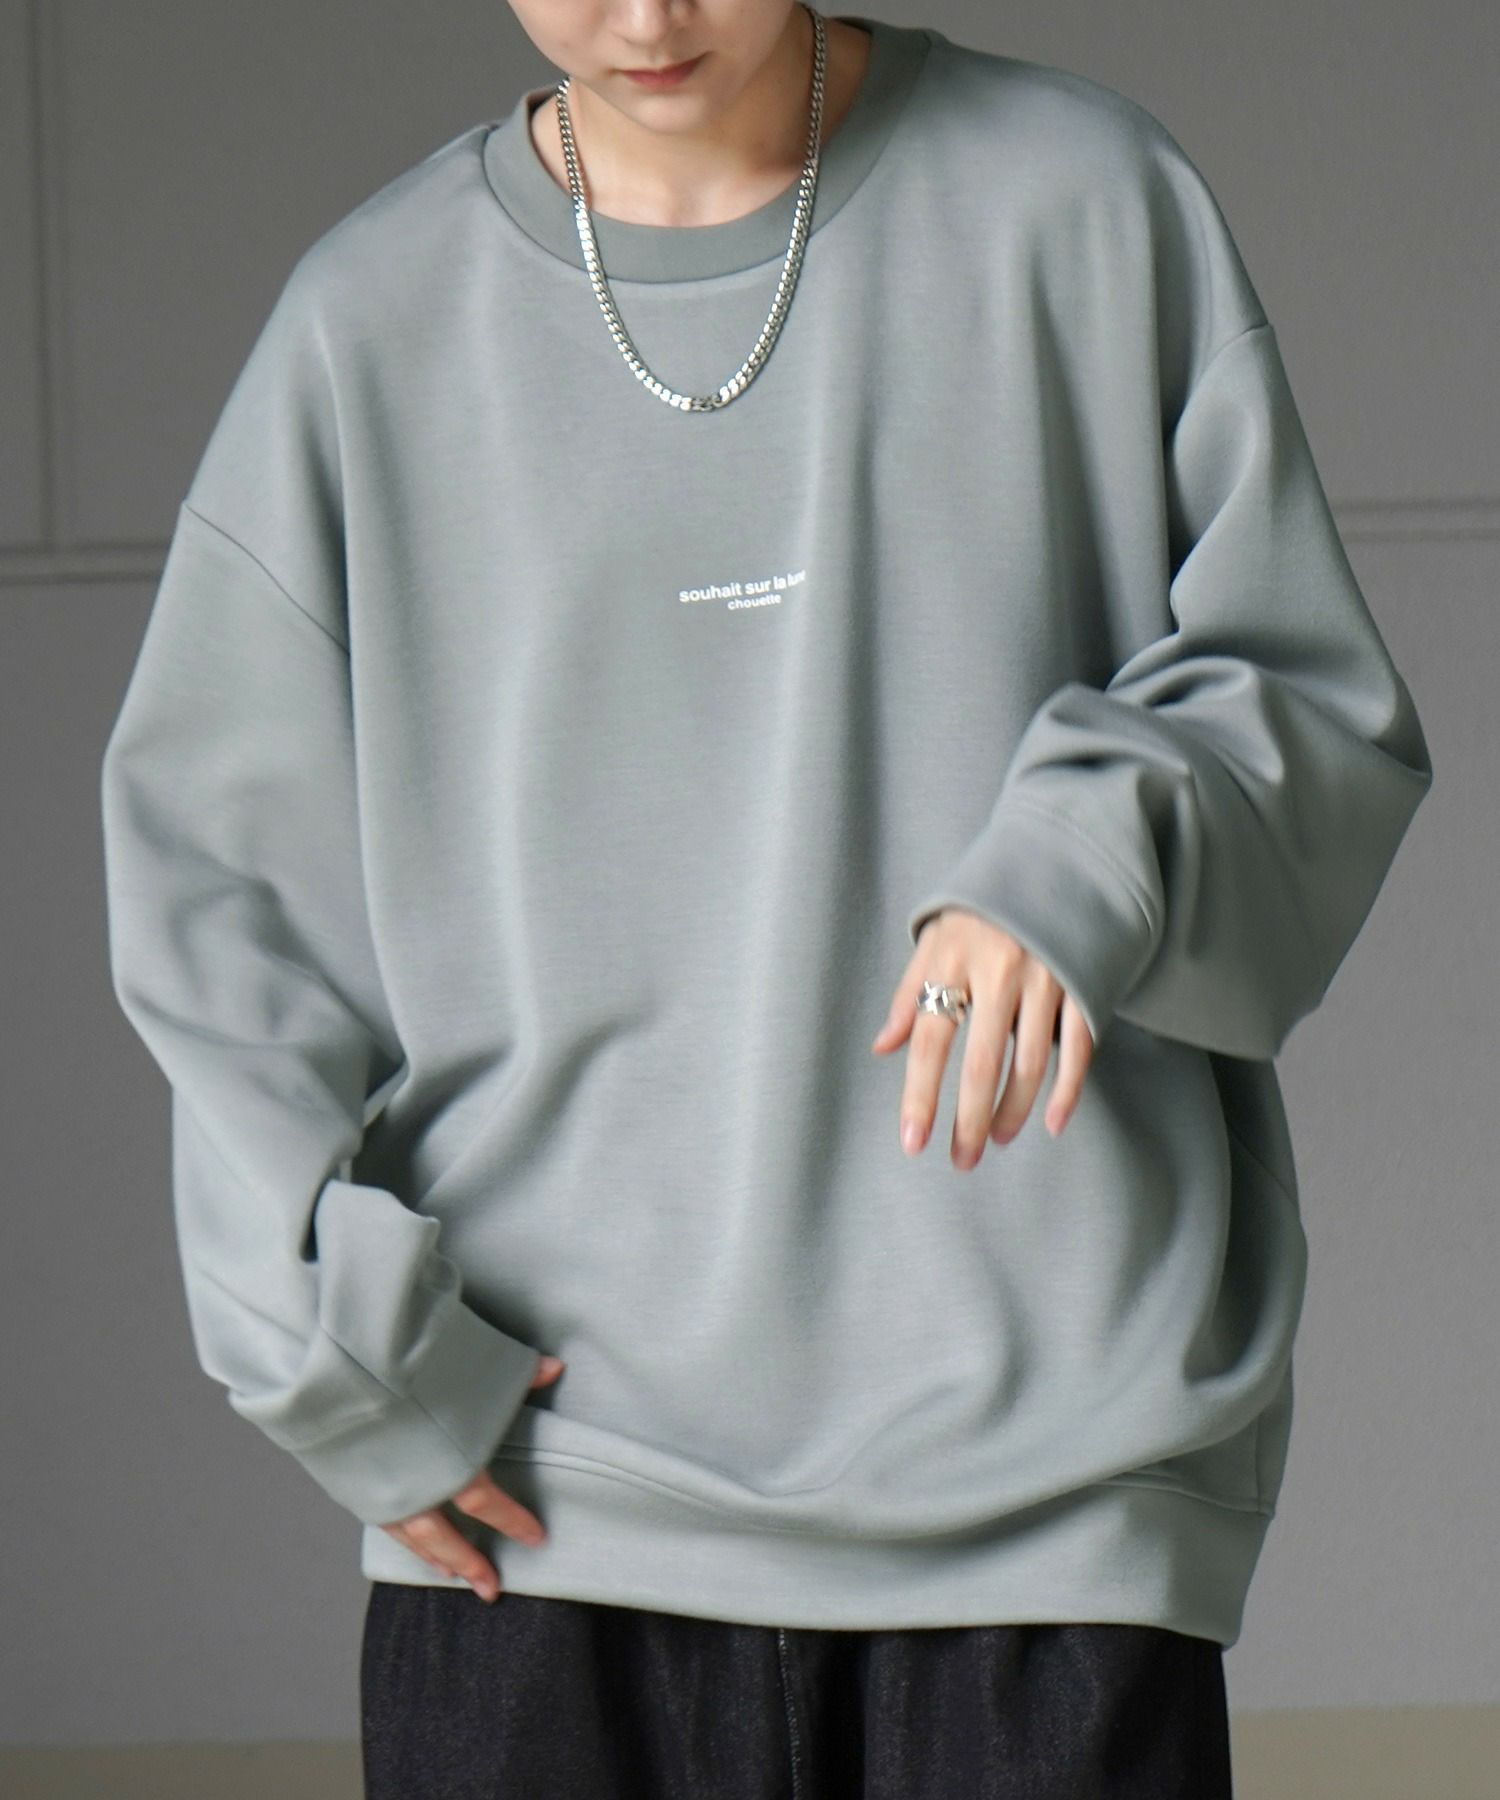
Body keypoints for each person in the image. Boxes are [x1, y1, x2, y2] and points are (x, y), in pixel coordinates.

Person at [99, 2, 1433, 1794]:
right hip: (549, 1501)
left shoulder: (1080, 204)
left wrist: (1083, 858)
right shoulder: (371, 322)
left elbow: (1313, 701)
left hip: (1046, 1494)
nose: (646, 17)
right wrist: (339, 1357)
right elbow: (216, 896)